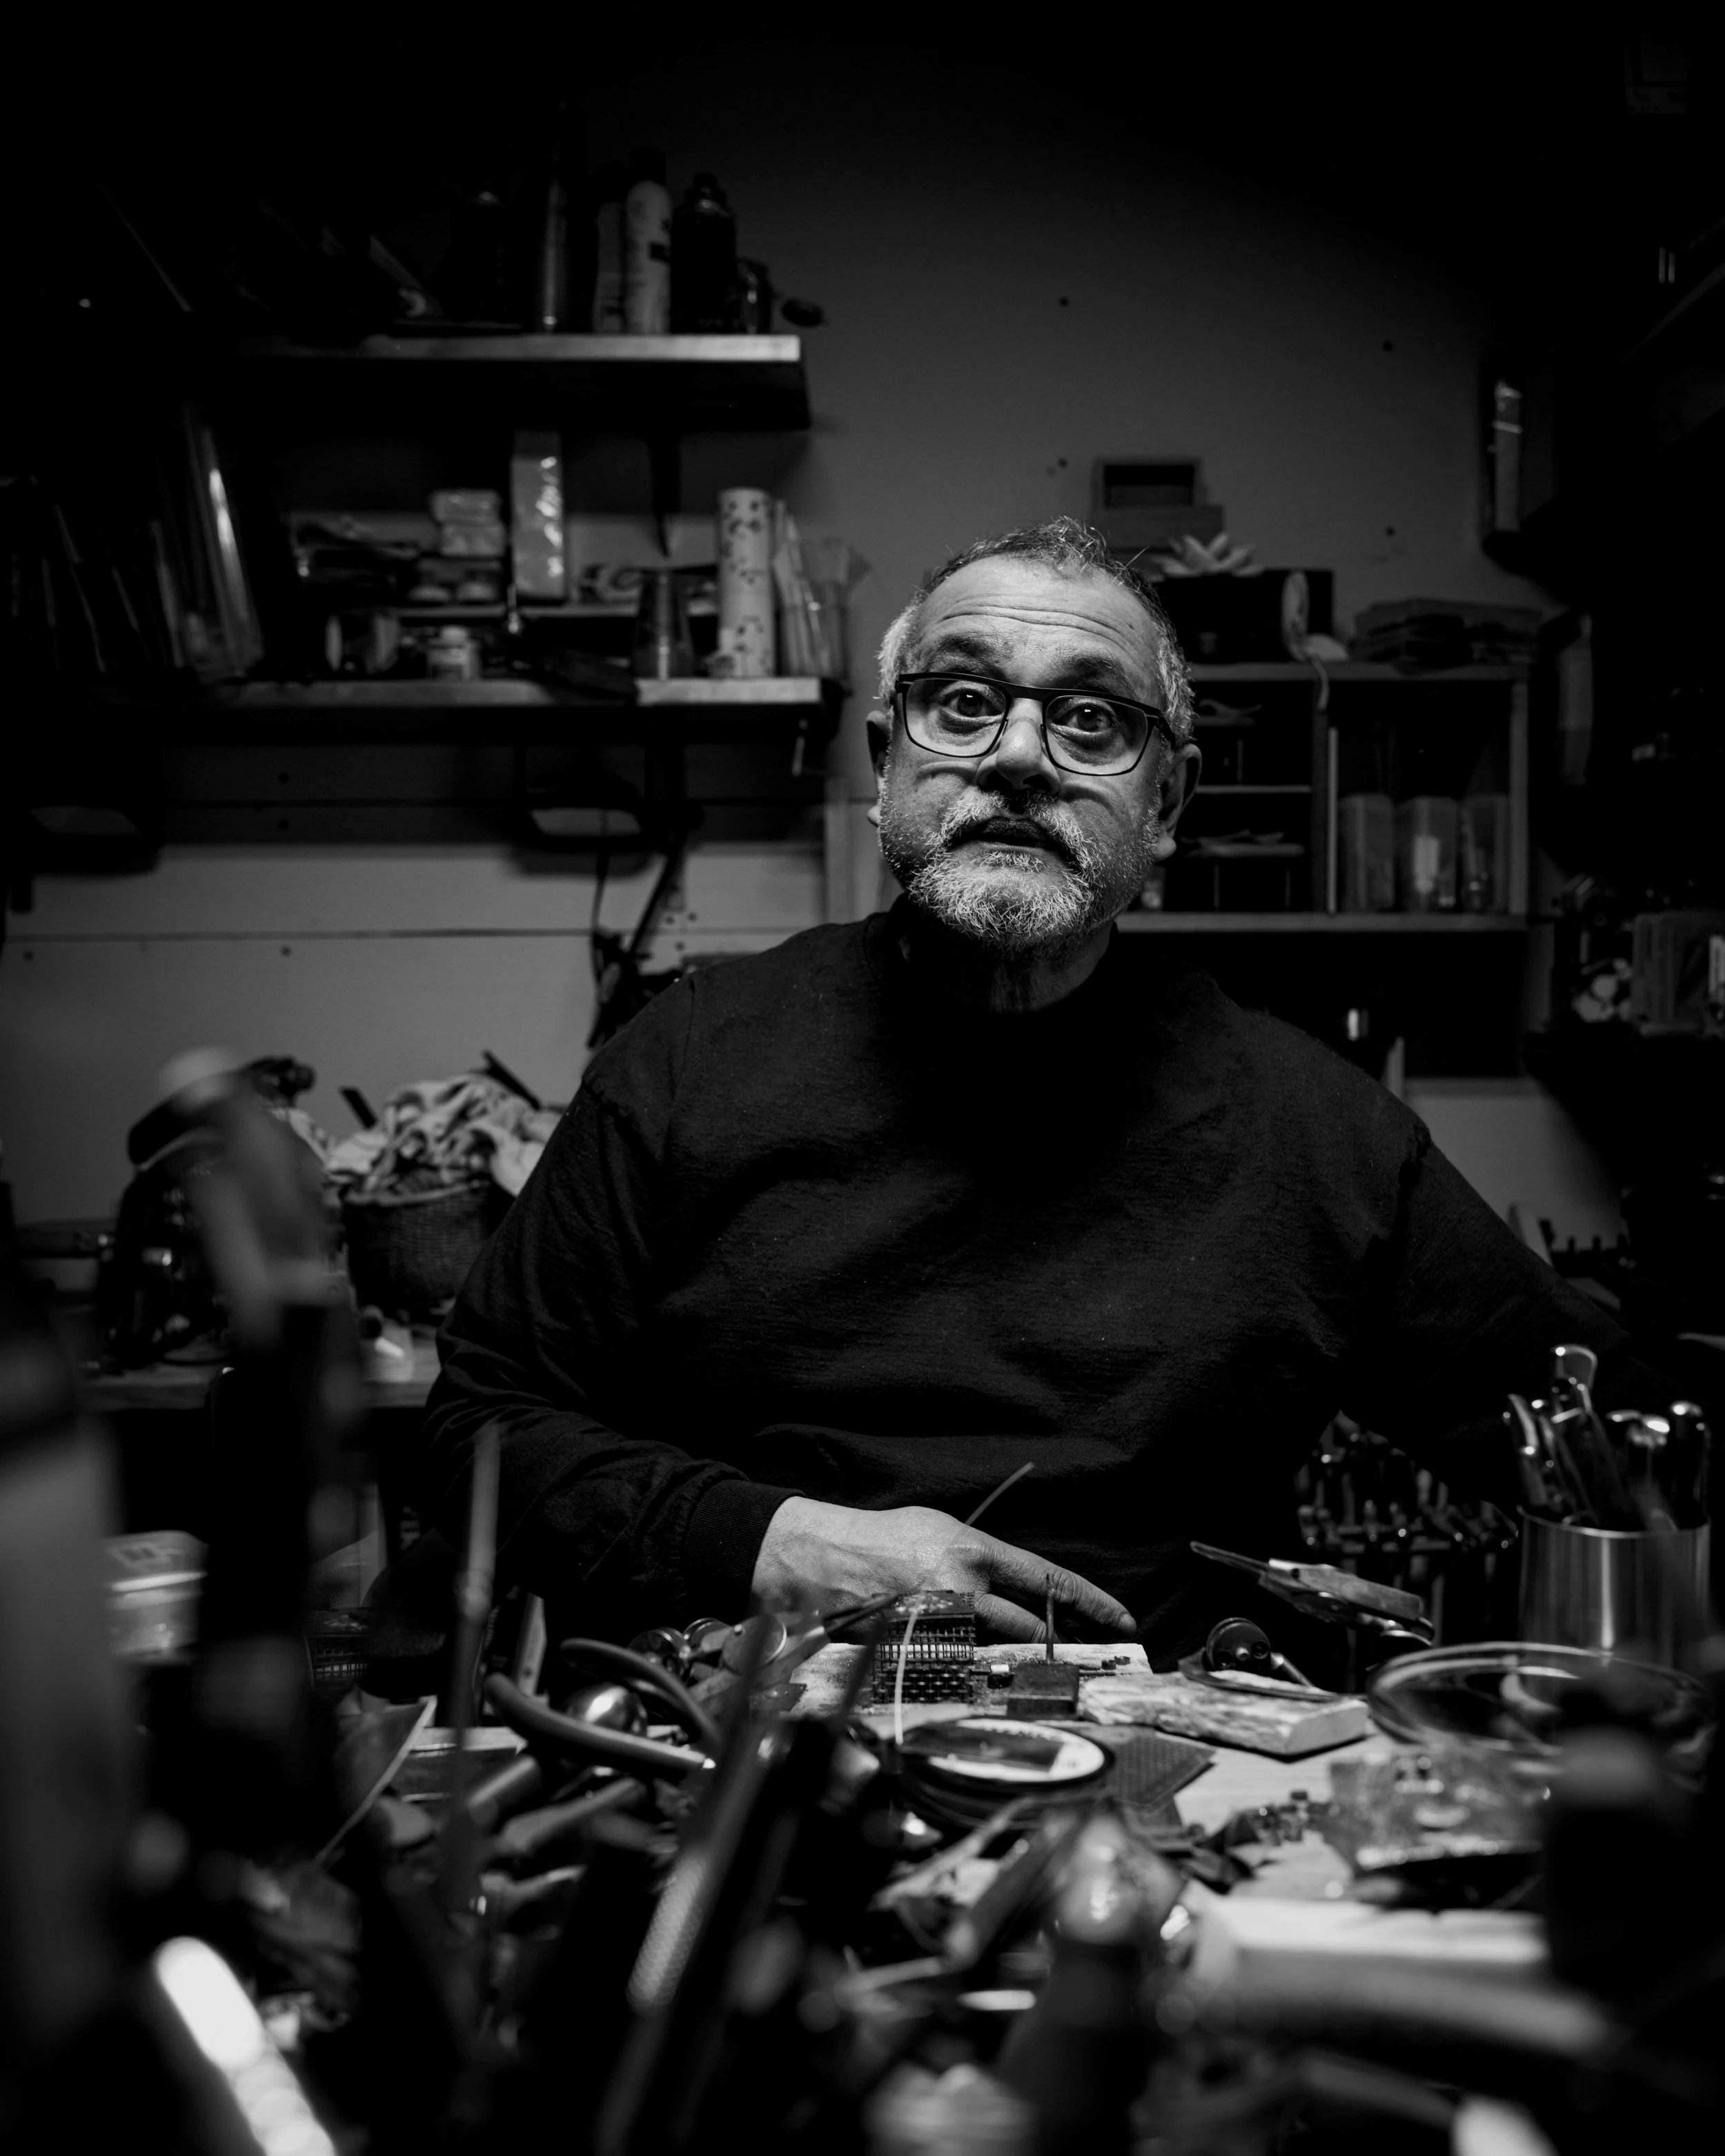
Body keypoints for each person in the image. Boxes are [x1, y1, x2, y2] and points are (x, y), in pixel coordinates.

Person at [419, 517, 1641, 1661]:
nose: (1014, 756)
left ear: (1165, 803)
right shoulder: (688, 1060)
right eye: (962, 702)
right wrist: (779, 1542)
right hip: (749, 1742)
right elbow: (479, 1429)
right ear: (887, 761)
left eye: (1094, 720)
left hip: (1177, 1777)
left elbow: (1613, 1439)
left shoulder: (1315, 1127)